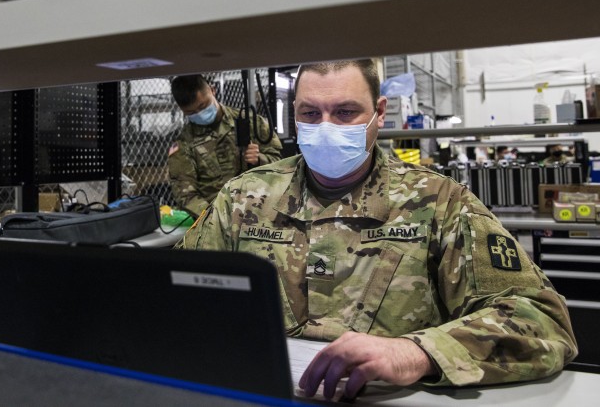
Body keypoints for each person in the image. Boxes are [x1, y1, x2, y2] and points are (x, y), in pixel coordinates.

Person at [179, 60, 577, 400]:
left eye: (346, 112)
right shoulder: (243, 198)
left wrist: (416, 352)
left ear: (379, 112)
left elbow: (541, 319)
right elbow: (170, 293)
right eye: (310, 114)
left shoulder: (438, 202)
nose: (326, 126)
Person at [168, 75, 284, 217]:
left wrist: (259, 159)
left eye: (203, 106)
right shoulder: (184, 144)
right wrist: (216, 218)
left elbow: (282, 167)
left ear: (212, 90)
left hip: (262, 212)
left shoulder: (251, 123)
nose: (199, 114)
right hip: (216, 222)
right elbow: (185, 194)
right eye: (191, 113)